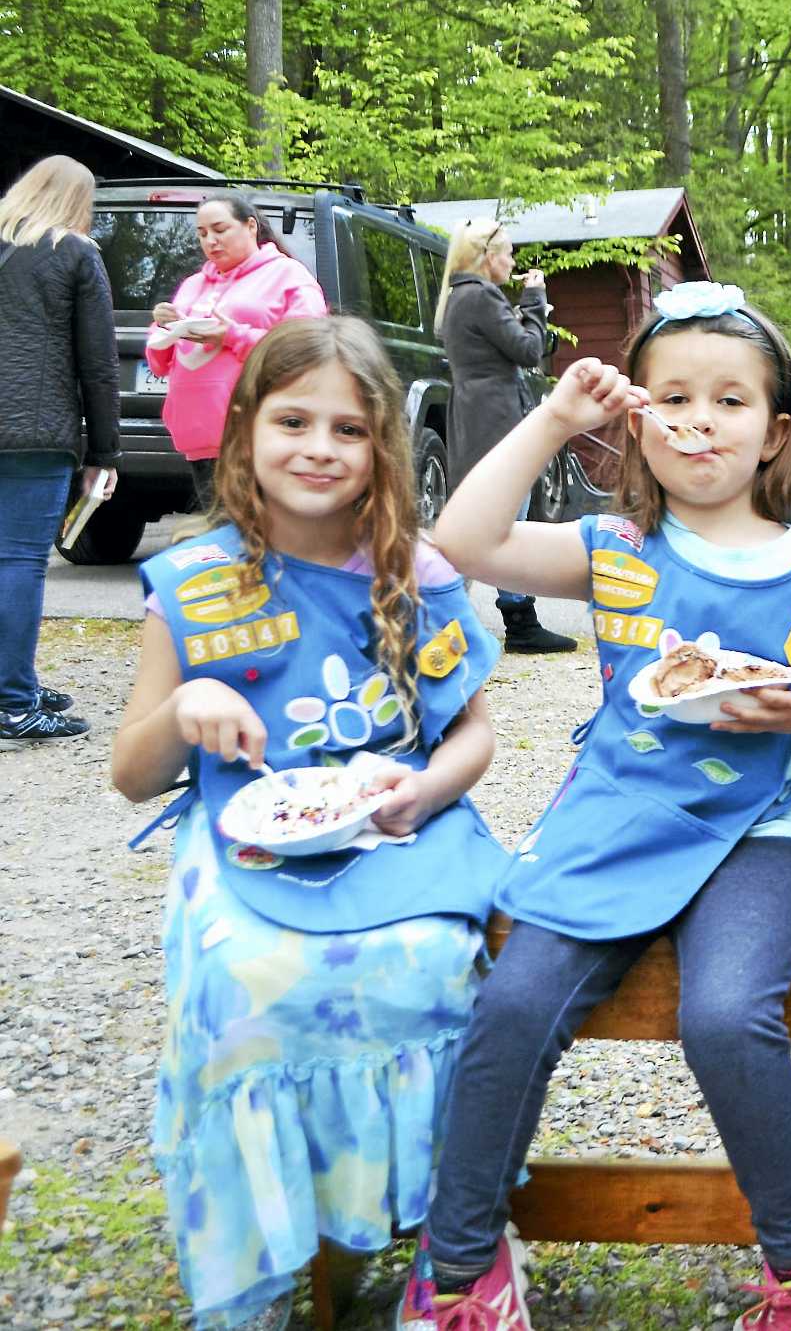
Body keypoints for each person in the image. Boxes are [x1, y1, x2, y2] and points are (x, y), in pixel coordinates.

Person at [417, 281, 791, 1331]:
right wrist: (551, 417)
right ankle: (458, 1270)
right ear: (638, 417)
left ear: (774, 431)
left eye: (729, 400)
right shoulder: (613, 551)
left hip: (764, 828)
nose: (699, 420)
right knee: (509, 1007)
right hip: (618, 813)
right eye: (672, 396)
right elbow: (463, 541)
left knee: (724, 1017)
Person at [109, 316, 505, 1330]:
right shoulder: (193, 584)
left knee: (425, 963)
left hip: (405, 829)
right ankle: (262, 1252)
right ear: (244, 428)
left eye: (349, 428)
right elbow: (129, 775)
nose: (318, 448)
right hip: (243, 841)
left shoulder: (414, 571)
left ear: (382, 449)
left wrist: (425, 790)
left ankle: (435, 1238)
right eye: (293, 420)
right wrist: (181, 713)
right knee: (240, 982)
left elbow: (470, 736)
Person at [0, 155, 119, 745]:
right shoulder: (75, 253)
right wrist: (105, 452)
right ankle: (14, 703)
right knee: (19, 562)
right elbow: (97, 366)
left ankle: (11, 679)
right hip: (34, 431)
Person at [436, 217, 574, 654]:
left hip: (475, 418)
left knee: (490, 515)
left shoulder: (459, 298)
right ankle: (501, 621)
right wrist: (535, 300)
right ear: (487, 257)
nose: (512, 260)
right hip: (495, 421)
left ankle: (473, 614)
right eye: (508, 252)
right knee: (502, 518)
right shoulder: (480, 296)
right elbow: (529, 350)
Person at [147, 190, 326, 506]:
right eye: (202, 233)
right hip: (200, 438)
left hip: (256, 438)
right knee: (224, 542)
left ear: (251, 227)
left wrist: (233, 335)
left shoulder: (287, 274)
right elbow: (160, 364)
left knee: (257, 538)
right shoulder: (192, 285)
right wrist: (163, 328)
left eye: (219, 229)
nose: (210, 241)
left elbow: (306, 350)